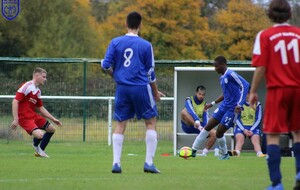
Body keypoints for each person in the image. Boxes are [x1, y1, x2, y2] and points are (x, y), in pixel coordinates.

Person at [101, 11, 165, 174]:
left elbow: (105, 65)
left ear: (126, 24)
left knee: (121, 123)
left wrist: (116, 75)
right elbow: (150, 73)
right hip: (140, 87)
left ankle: (116, 164)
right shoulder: (146, 45)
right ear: (140, 25)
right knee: (150, 122)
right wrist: (156, 92)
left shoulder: (115, 42)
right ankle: (148, 163)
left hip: (122, 88)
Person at [249, 0, 300, 189]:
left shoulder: (264, 36)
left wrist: (253, 91)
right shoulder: (298, 35)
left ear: (270, 14)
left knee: (272, 135)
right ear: (289, 14)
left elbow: (261, 66)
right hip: (298, 89)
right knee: (298, 133)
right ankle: (299, 172)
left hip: (277, 89)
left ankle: (277, 183)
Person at [191, 56, 249, 160]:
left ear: (223, 65)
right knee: (208, 126)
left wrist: (240, 103)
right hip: (223, 106)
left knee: (219, 132)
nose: (215, 69)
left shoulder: (231, 74)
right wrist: (212, 103)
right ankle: (193, 150)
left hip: (232, 109)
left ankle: (225, 154)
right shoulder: (222, 78)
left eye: (216, 66)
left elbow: (245, 84)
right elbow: (225, 94)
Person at [10, 67, 62, 158]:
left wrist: (53, 119)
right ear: (36, 75)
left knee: (51, 129)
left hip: (33, 116)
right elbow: (15, 101)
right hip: (24, 117)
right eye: (43, 77)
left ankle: (39, 152)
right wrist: (16, 119)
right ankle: (35, 145)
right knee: (40, 135)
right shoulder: (27, 86)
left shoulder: (38, 91)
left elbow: (40, 108)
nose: (45, 79)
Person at [181, 85, 219, 157]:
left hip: (200, 127)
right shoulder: (189, 99)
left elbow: (206, 120)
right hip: (189, 125)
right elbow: (189, 109)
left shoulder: (205, 104)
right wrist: (196, 120)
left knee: (214, 132)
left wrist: (205, 127)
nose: (201, 96)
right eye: (199, 94)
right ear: (196, 93)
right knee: (183, 112)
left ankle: (204, 153)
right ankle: (199, 127)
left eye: (203, 95)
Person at [230, 91, 266, 157]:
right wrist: (243, 129)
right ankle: (236, 154)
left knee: (256, 140)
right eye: (248, 94)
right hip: (241, 127)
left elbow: (259, 118)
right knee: (240, 140)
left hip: (253, 128)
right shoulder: (239, 104)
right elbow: (236, 119)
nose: (250, 95)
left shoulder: (258, 104)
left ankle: (260, 154)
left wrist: (252, 129)